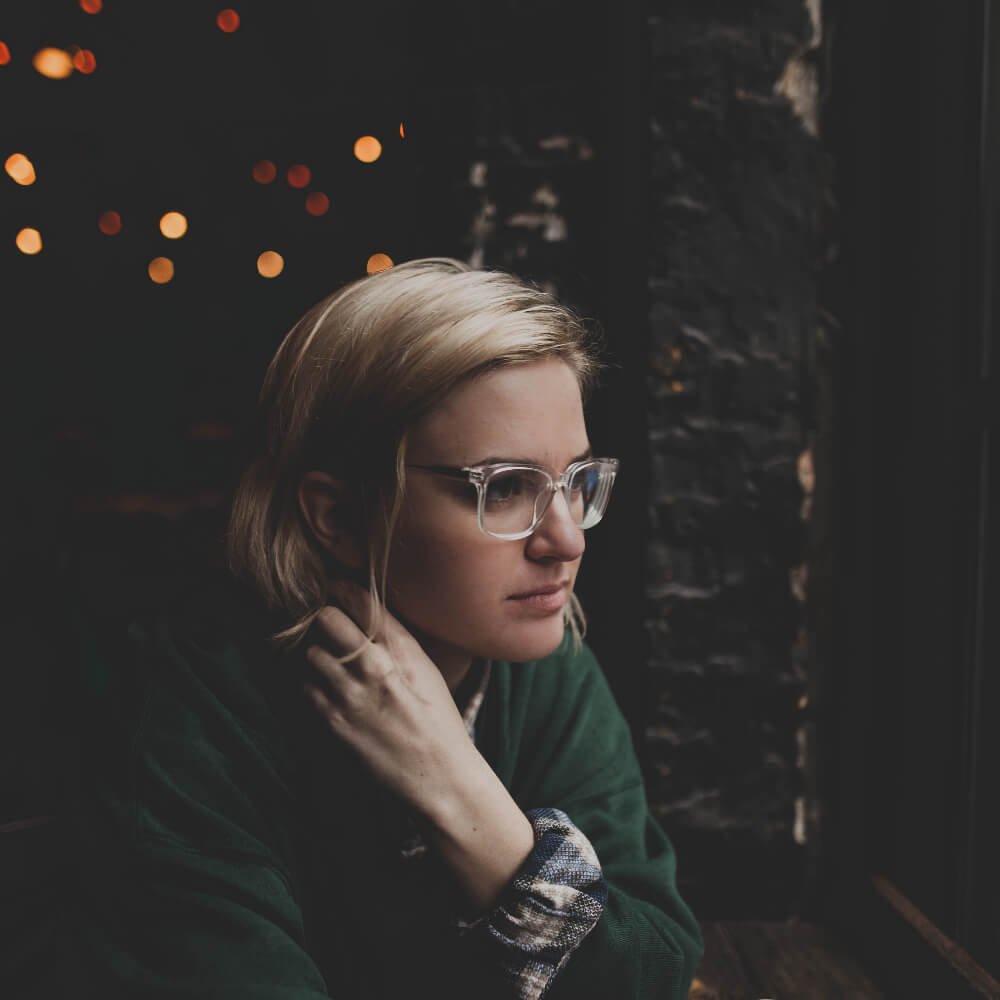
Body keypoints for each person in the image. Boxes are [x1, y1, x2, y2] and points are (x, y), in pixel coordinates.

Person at [70, 258, 702, 998]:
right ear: (338, 516)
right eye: (505, 489)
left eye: (578, 482)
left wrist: (454, 785)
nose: (568, 540)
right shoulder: (200, 711)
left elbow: (653, 971)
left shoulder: (547, 669)